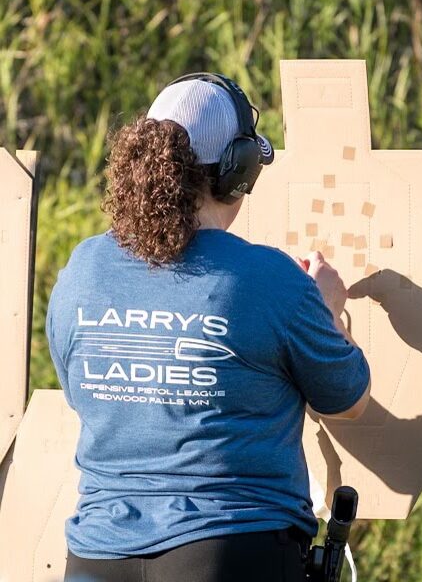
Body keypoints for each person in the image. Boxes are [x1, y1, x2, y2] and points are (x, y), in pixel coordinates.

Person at [46, 73, 371, 582]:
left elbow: (81, 389)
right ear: (236, 171)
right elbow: (348, 401)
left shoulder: (83, 268)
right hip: (231, 552)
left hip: (95, 557)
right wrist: (327, 308)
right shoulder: (269, 279)